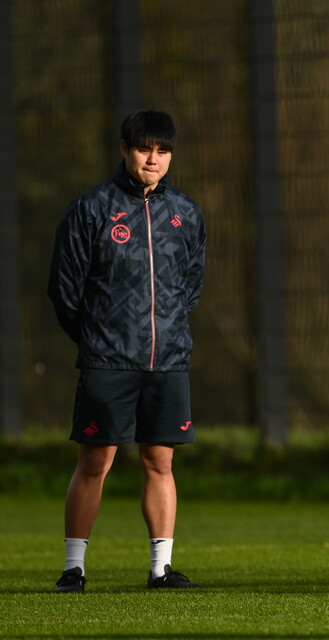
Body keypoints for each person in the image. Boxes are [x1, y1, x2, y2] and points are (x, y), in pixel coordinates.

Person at [47, 110, 206, 592]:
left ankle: (161, 569)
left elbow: (190, 286)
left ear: (170, 155)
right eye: (144, 149)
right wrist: (98, 339)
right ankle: (73, 568)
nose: (152, 159)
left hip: (168, 361)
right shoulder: (91, 208)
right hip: (108, 360)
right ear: (124, 149)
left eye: (162, 151)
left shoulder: (187, 212)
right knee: (95, 462)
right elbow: (64, 290)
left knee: (160, 461)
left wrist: (169, 332)